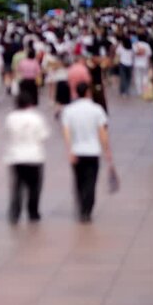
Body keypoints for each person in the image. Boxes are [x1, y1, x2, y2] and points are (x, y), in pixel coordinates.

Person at [62, 82, 113, 223]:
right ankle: (87, 210)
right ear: (88, 92)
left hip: (77, 151)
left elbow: (66, 132)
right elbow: (103, 132)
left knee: (79, 181)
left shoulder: (69, 110)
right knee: (91, 181)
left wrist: (69, 149)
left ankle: (81, 205)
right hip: (93, 151)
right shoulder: (97, 110)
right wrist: (107, 150)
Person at [4, 93, 50, 224]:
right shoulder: (36, 118)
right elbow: (43, 136)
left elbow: (7, 132)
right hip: (34, 156)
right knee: (34, 186)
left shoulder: (11, 118)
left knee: (17, 185)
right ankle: (33, 212)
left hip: (16, 156)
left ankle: (15, 212)